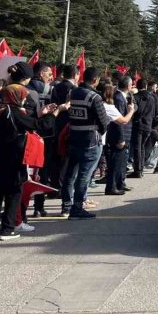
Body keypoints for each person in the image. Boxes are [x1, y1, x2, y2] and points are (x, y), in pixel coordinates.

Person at [0, 84, 64, 240]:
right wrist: (53, 114)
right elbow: (39, 126)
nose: (25, 100)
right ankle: (7, 229)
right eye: (23, 97)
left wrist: (42, 113)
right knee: (13, 192)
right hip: (11, 158)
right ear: (15, 97)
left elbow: (28, 122)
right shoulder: (13, 112)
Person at [61, 67, 110, 219]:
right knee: (84, 176)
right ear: (95, 80)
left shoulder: (72, 93)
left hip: (74, 138)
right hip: (90, 141)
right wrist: (100, 132)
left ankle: (66, 205)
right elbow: (103, 121)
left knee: (70, 174)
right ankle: (77, 208)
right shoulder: (94, 97)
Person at [101, 83, 135, 194]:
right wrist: (131, 111)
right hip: (115, 137)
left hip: (111, 136)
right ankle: (112, 186)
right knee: (115, 163)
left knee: (119, 163)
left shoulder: (108, 103)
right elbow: (121, 122)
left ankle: (118, 184)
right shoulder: (114, 102)